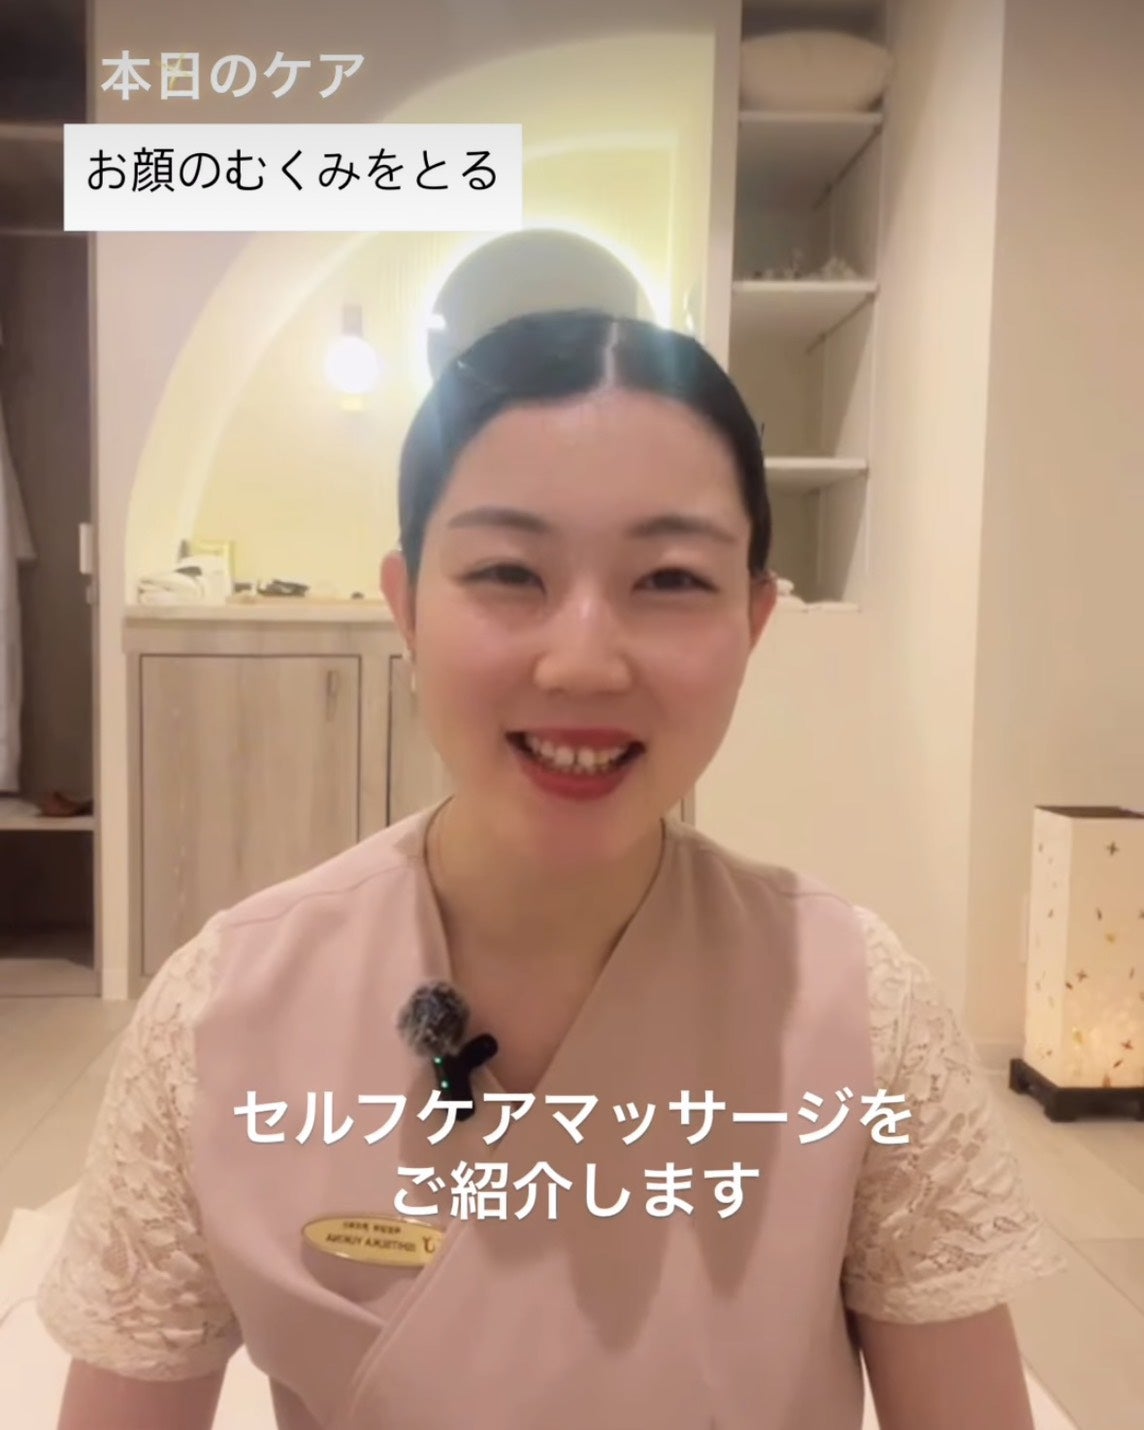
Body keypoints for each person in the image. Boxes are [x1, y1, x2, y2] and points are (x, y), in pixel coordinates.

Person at [39, 309, 1062, 1429]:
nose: (582, 661)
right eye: (507, 571)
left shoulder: (862, 1012)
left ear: (754, 620)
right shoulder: (217, 1016)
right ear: (406, 606)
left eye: (670, 579)